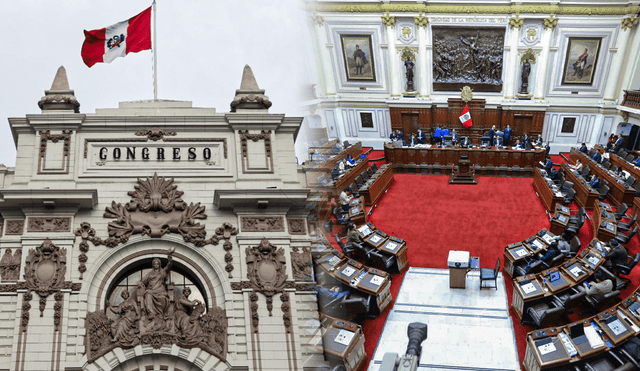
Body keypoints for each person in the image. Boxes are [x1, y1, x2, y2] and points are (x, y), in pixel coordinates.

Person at [137, 251, 173, 321]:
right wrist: (140, 284)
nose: (156, 265)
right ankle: (151, 313)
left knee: (163, 297)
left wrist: (170, 258)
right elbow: (141, 281)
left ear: (159, 265)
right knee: (148, 294)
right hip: (151, 290)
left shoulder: (163, 271)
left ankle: (161, 314)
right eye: (154, 264)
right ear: (153, 265)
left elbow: (169, 266)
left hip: (160, 291)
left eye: (157, 264)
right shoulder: (150, 274)